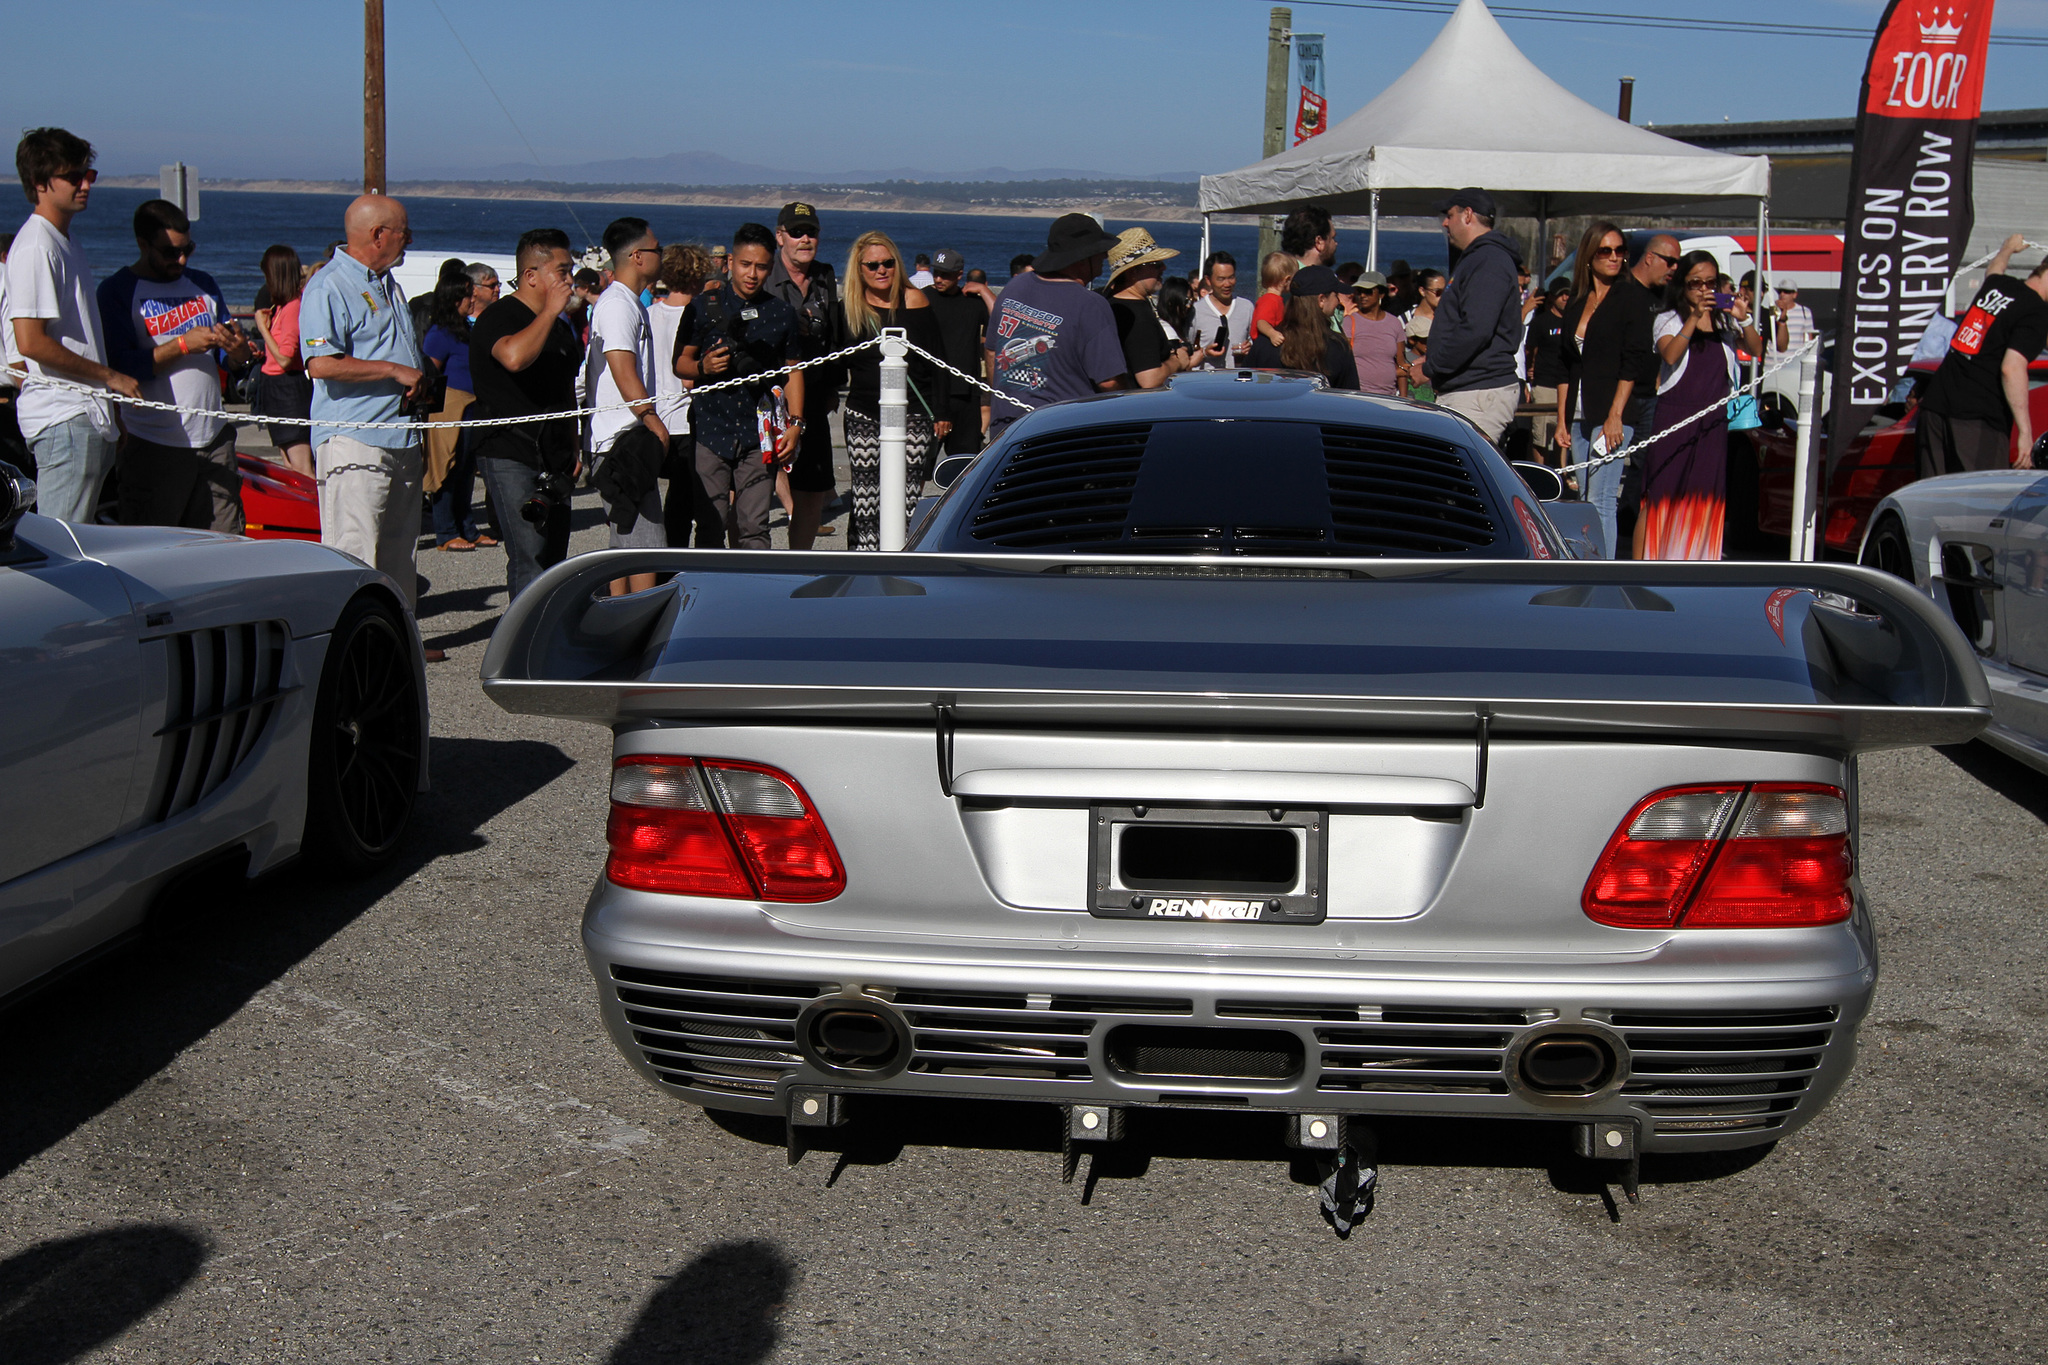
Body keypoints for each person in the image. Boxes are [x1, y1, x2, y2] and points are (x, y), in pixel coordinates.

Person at [302, 195, 434, 649]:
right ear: (378, 235)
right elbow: (320, 363)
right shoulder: (329, 286)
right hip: (355, 439)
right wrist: (394, 371)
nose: (409, 240)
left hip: (400, 436)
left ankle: (398, 643)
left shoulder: (387, 282)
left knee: (401, 552)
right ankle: (350, 647)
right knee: (354, 550)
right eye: (404, 232)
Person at [5, 128, 139, 522]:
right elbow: (30, 342)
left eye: (89, 174)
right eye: (73, 176)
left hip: (85, 415)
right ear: (39, 183)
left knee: (77, 545)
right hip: (64, 417)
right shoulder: (36, 246)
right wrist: (110, 377)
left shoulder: (65, 241)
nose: (85, 185)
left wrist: (108, 405)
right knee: (61, 550)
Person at [97, 197, 253, 532]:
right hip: (154, 443)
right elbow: (119, 367)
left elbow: (230, 358)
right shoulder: (117, 291)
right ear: (143, 244)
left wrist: (238, 350)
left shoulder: (204, 284)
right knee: (154, 548)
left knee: (226, 544)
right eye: (170, 252)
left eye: (188, 249)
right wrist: (182, 345)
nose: (180, 260)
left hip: (213, 439)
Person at [674, 223, 804, 549]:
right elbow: (680, 363)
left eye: (761, 267)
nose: (752, 274)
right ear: (730, 261)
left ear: (770, 267)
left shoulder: (782, 314)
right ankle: (709, 591)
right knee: (709, 522)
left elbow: (793, 371)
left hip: (758, 432)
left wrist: (796, 423)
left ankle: (753, 593)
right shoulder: (703, 306)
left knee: (755, 527)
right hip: (710, 428)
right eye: (746, 265)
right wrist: (703, 367)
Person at [470, 229, 580, 603]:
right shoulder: (499, 317)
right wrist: (550, 311)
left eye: (570, 271)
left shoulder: (560, 327)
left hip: (555, 454)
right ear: (531, 275)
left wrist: (574, 446)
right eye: (562, 271)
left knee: (555, 559)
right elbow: (514, 358)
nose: (570, 280)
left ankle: (549, 639)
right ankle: (522, 648)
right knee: (529, 553)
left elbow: (566, 390)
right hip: (510, 453)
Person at [1555, 221, 1657, 558]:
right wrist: (1560, 421)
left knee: (1601, 498)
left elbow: (1633, 361)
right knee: (1584, 498)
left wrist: (1615, 416)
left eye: (1620, 251)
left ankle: (1604, 573)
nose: (1614, 257)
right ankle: (1586, 565)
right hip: (1579, 412)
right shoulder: (1577, 300)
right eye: (1606, 251)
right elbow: (1566, 364)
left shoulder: (1630, 298)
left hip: (1612, 412)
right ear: (1589, 255)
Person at [840, 230, 946, 549]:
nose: (881, 270)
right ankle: (865, 564)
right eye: (872, 265)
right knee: (865, 500)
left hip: (913, 412)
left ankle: (902, 560)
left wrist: (941, 412)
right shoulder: (849, 306)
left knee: (906, 498)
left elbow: (937, 361)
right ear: (859, 270)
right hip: (863, 412)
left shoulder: (914, 300)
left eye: (888, 263)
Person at [583, 217, 669, 595]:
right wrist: (652, 421)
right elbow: (622, 366)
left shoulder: (629, 303)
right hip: (622, 443)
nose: (661, 255)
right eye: (656, 249)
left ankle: (620, 620)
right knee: (647, 545)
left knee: (624, 541)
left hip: (620, 438)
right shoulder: (618, 304)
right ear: (637, 256)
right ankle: (640, 622)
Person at [983, 214, 1125, 439]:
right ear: (1081, 259)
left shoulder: (1015, 286)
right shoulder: (1091, 304)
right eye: (1099, 251)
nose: (1104, 256)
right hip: (1061, 434)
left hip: (1006, 428)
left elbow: (992, 353)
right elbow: (1109, 382)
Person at [1918, 234, 2048, 478]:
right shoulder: (2036, 312)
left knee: (1931, 500)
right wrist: (2025, 432)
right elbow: (2012, 368)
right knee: (1977, 504)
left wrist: (2007, 248)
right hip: (1977, 420)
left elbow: (1993, 270)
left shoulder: (1999, 286)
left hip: (1936, 407)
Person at [1639, 251, 1740, 560]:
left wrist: (1744, 317)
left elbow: (1756, 347)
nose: (1704, 290)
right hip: (1676, 417)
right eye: (1696, 283)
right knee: (1661, 494)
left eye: (1710, 283)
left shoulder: (1724, 321)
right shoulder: (1667, 318)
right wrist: (1695, 317)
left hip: (1712, 423)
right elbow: (1670, 355)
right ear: (1683, 285)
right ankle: (1646, 564)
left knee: (1704, 496)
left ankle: (1698, 561)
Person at [765, 201, 844, 549]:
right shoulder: (763, 275)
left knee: (813, 493)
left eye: (811, 232)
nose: (805, 239)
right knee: (752, 493)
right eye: (796, 232)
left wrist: (833, 386)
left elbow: (837, 336)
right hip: (765, 401)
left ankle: (799, 561)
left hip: (811, 401)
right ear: (780, 236)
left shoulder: (825, 278)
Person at [1420, 189, 1527, 444]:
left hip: (1479, 393)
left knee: (1459, 480)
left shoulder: (1489, 260)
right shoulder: (1480, 258)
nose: (1445, 223)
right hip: (1470, 389)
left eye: (1449, 215)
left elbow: (1476, 328)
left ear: (1467, 215)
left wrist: (1432, 366)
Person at [650, 242, 718, 548]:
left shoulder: (649, 314)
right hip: (689, 420)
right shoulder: (698, 317)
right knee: (692, 505)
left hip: (656, 418)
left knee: (670, 505)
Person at [420, 265, 491, 552]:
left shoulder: (465, 330)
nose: (472, 300)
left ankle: (468, 528)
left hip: (471, 407)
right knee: (447, 468)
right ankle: (446, 531)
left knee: (465, 470)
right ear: (454, 299)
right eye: (467, 296)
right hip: (449, 408)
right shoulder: (439, 333)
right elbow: (430, 373)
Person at [1104, 228, 1213, 389]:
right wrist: (1177, 360)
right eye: (1155, 264)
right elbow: (1150, 379)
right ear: (1133, 271)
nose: (1163, 268)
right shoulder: (1136, 316)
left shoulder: (1110, 304)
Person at [251, 244, 314, 477]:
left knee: (301, 465)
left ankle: (312, 511)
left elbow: (287, 359)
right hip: (274, 385)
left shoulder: (293, 307)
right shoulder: (280, 306)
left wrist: (262, 330)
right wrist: (262, 348)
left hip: (289, 390)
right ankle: (301, 511)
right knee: (288, 463)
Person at [923, 247, 992, 455]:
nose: (938, 279)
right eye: (936, 273)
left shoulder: (972, 302)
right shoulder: (924, 297)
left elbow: (1001, 321)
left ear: (959, 275)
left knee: (965, 460)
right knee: (922, 460)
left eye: (945, 274)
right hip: (931, 390)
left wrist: (985, 291)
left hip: (966, 392)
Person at [1247, 264, 1359, 390]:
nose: (1338, 301)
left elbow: (1246, 392)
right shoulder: (1337, 347)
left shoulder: (1265, 344)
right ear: (1321, 299)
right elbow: (1350, 399)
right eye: (1336, 295)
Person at [1524, 281, 1572, 459]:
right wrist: (1530, 371)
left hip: (1567, 384)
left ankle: (1563, 473)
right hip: (1544, 384)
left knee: (1564, 433)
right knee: (1540, 436)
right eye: (1561, 294)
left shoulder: (1575, 320)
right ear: (1551, 297)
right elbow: (1529, 351)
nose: (1565, 298)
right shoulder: (1540, 322)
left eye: (1568, 293)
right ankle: (1540, 473)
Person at [1188, 250, 1254, 370]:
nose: (1227, 284)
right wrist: (1204, 352)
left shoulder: (1246, 307)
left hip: (1238, 381)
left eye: (1231, 278)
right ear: (1208, 280)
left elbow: (1254, 341)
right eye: (1221, 279)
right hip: (1206, 382)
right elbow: (1187, 350)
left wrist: (1250, 347)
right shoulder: (1196, 311)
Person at [1342, 271, 1405, 397]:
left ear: (1381, 294)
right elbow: (1343, 360)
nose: (1362, 296)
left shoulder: (1394, 323)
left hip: (1389, 396)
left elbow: (1401, 366)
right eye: (1359, 291)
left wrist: (1404, 399)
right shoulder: (1349, 322)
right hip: (1358, 395)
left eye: (1368, 291)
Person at [1252, 250, 1296, 347]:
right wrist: (1272, 334)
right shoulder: (1270, 300)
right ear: (1286, 280)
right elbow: (1261, 322)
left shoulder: (1274, 299)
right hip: (1264, 345)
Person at [1280, 203, 1336, 268]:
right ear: (1319, 242)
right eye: (1333, 238)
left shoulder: (1274, 272)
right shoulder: (1315, 277)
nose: (1336, 243)